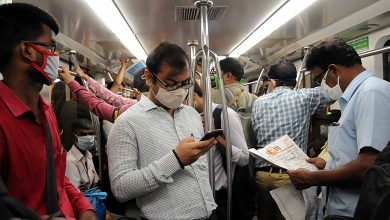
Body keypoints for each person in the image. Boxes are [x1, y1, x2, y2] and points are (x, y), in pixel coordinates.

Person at [0, 3, 95, 219]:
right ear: (28, 50)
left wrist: (82, 205)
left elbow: (56, 176)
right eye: (50, 48)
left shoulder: (47, 112)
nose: (54, 57)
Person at [107, 42, 217, 219]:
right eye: (172, 84)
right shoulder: (127, 123)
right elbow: (121, 188)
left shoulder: (192, 115)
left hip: (207, 213)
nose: (180, 91)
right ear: (149, 77)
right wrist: (176, 160)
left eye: (185, 83)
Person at [288, 39, 390, 219]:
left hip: (355, 211)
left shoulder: (371, 93)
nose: (322, 86)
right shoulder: (354, 98)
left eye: (320, 79)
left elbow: (369, 167)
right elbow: (355, 155)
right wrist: (327, 166)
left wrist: (313, 179)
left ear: (334, 70)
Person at [251, 60, 333, 220]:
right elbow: (333, 92)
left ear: (272, 82)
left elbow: (255, 133)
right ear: (294, 81)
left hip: (262, 176)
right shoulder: (305, 97)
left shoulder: (258, 103)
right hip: (290, 176)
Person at [192, 82, 249, 219]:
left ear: (193, 96)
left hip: (219, 196)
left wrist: (215, 135)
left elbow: (244, 159)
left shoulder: (224, 114)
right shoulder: (184, 118)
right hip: (195, 197)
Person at [66, 119, 100, 191]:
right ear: (73, 137)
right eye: (83, 134)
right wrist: (90, 189)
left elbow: (96, 184)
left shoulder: (88, 155)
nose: (88, 137)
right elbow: (76, 192)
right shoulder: (69, 160)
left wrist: (88, 188)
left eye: (90, 134)